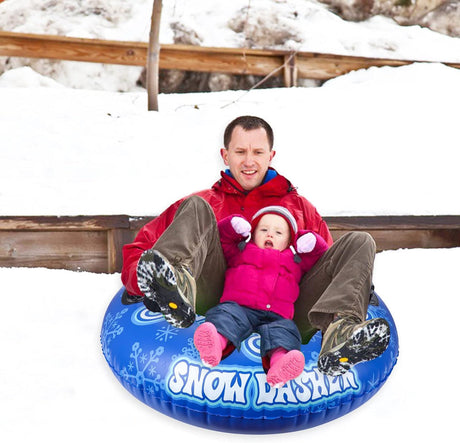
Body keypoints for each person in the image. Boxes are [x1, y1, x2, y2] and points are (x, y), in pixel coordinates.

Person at [122, 115, 390, 377]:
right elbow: (141, 250)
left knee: (360, 241)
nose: (249, 161)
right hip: (218, 299)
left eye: (258, 152)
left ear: (270, 156)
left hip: (287, 310)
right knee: (197, 208)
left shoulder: (299, 208)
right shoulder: (203, 203)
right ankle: (175, 287)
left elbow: (329, 266)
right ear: (225, 155)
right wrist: (145, 283)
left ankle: (341, 333)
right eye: (240, 151)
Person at [193, 206, 329, 387]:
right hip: (240, 307)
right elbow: (222, 239)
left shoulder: (296, 261)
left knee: (286, 332)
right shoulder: (240, 251)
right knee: (226, 316)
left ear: (290, 241)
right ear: (253, 232)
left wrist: (311, 241)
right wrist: (233, 225)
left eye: (279, 232)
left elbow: (320, 256)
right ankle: (214, 343)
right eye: (263, 230)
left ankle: (281, 363)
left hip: (277, 316)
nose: (270, 235)